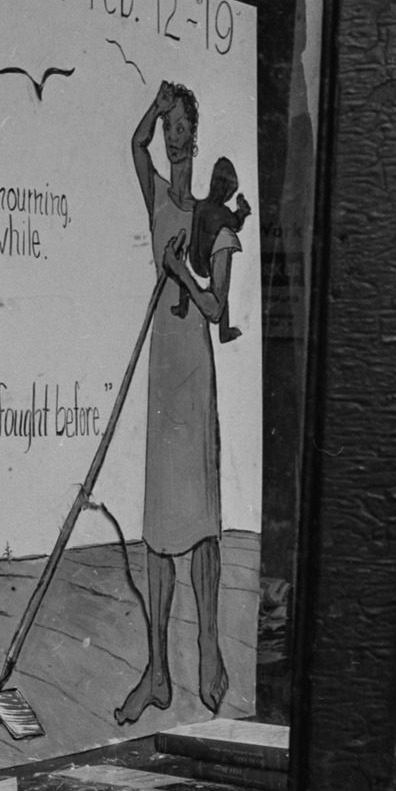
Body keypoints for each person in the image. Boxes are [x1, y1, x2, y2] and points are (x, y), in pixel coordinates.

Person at [116, 80, 238, 724]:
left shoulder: (213, 219)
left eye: (182, 125)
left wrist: (178, 272)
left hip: (196, 370)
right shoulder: (162, 200)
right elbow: (132, 145)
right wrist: (154, 107)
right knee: (159, 529)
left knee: (204, 525)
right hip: (164, 375)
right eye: (169, 127)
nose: (172, 136)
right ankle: (158, 672)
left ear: (198, 131)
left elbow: (218, 308)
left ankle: (209, 653)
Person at [169, 154, 250, 342]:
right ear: (227, 191)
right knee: (222, 290)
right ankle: (224, 332)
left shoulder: (201, 205)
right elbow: (236, 224)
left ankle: (182, 307)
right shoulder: (223, 212)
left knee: (186, 278)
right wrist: (243, 212)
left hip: (192, 259)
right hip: (205, 266)